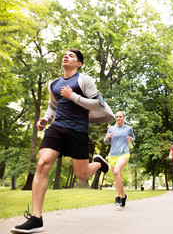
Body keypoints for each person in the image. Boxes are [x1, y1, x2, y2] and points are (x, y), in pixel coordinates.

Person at [11, 48, 115, 233]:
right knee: (42, 163)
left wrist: (73, 96)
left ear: (79, 64)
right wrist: (45, 120)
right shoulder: (54, 84)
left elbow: (97, 103)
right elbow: (52, 108)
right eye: (65, 55)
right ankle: (36, 218)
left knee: (82, 175)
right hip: (57, 128)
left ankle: (98, 163)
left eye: (72, 56)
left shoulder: (84, 80)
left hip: (78, 131)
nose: (66, 56)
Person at [104, 111, 135, 207]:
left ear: (124, 118)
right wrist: (107, 138)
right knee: (117, 176)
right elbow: (105, 142)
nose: (118, 118)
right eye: (117, 117)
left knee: (117, 171)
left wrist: (131, 138)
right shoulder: (111, 128)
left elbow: (133, 138)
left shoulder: (128, 128)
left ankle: (117, 196)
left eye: (120, 117)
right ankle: (123, 196)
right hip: (113, 154)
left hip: (124, 154)